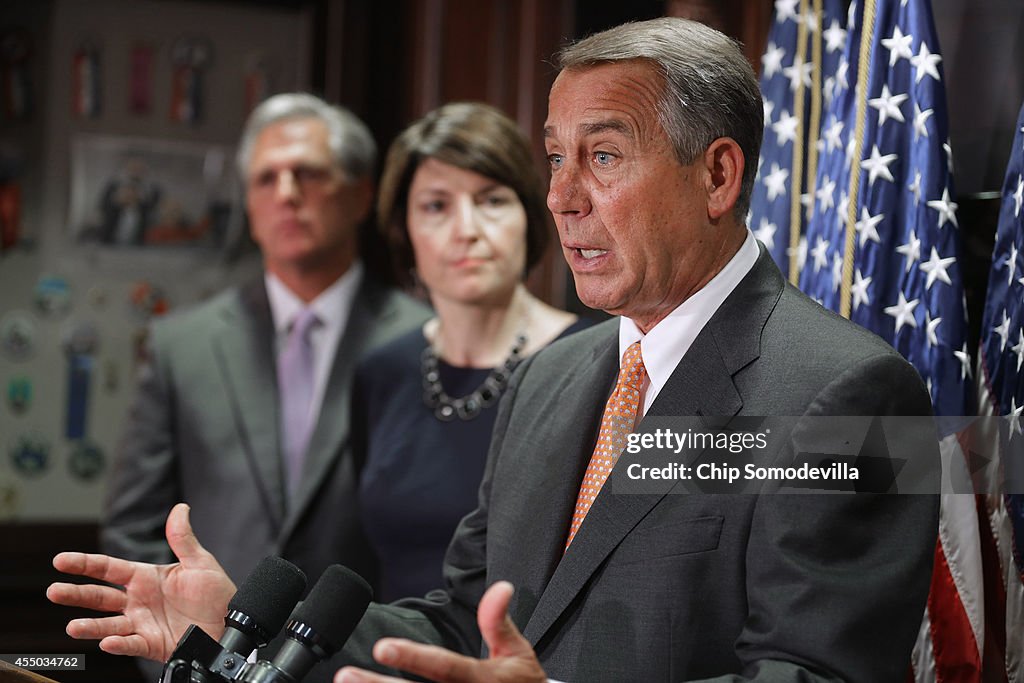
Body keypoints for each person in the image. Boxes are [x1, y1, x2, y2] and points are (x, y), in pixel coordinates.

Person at [50, 19, 939, 683]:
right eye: (554, 159)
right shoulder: (552, 378)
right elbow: (463, 622)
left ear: (717, 176)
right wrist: (248, 624)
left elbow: (814, 674)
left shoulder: (852, 394)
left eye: (603, 156)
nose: (561, 197)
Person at [100, 93, 430, 595]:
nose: (287, 193)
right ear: (250, 207)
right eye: (265, 179)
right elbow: (132, 529)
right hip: (209, 661)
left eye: (309, 174)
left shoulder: (426, 339)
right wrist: (180, 657)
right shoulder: (180, 347)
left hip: (365, 660)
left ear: (361, 196)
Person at [355, 102, 590, 602]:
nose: (466, 229)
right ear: (404, 229)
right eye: (436, 206)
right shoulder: (381, 372)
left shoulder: (599, 363)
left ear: (528, 216)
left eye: (491, 200)